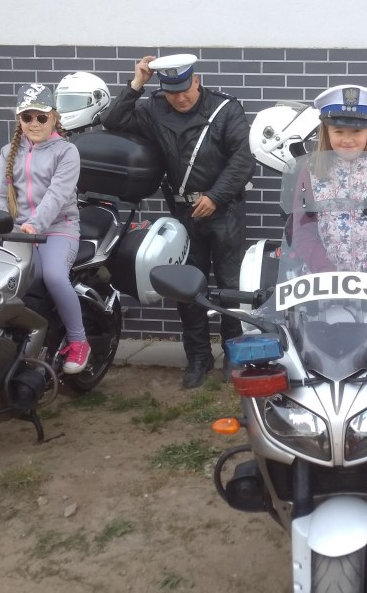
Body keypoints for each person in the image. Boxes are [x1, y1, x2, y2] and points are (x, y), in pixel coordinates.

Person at [103, 53, 255, 388]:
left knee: (230, 284)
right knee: (186, 288)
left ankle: (234, 351)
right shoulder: (154, 108)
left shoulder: (226, 109)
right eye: (172, 92)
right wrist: (137, 84)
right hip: (184, 213)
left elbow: (243, 159)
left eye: (185, 89)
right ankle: (198, 357)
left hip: (224, 209)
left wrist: (215, 196)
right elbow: (113, 121)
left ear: (196, 81)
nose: (180, 98)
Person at [0, 83, 90, 374]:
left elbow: (57, 195)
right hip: (17, 231)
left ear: (54, 118)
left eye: (41, 117)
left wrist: (34, 226)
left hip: (58, 228)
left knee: (54, 276)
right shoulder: (8, 152)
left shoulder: (67, 152)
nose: (34, 123)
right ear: (19, 119)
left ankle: (79, 341)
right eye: (27, 117)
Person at [289, 84, 367, 272]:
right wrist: (325, 267)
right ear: (326, 132)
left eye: (357, 131)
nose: (347, 140)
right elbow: (302, 231)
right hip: (322, 279)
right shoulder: (312, 171)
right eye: (338, 131)